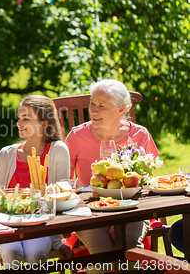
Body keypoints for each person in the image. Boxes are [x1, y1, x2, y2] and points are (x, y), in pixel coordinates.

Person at [66, 79, 159, 274]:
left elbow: (147, 182)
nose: (94, 110)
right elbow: (65, 183)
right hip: (89, 212)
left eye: (101, 105)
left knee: (129, 250)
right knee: (105, 256)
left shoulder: (140, 135)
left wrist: (119, 216)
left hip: (132, 209)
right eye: (92, 103)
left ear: (120, 109)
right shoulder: (76, 137)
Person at [0, 95, 72, 268]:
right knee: (12, 253)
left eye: (26, 119)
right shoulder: (7, 154)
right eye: (19, 119)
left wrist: (57, 239)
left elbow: (61, 196)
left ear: (43, 124)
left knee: (36, 255)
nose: (19, 123)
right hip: (4, 224)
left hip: (40, 225)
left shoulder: (58, 150)